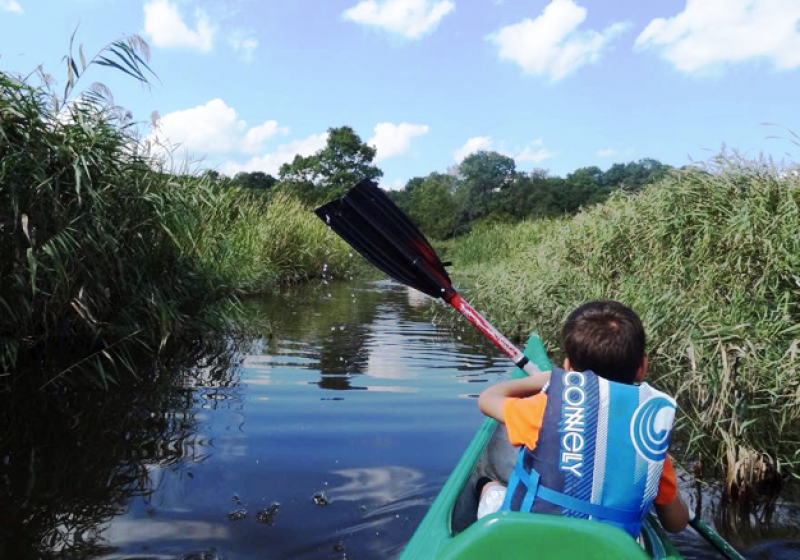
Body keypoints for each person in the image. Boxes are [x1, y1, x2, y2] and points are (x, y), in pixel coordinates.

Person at [476, 300, 688, 538]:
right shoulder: (649, 438)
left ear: (568, 368)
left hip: (531, 541)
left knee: (487, 486)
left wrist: (549, 378)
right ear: (642, 367)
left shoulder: (543, 410)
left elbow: (487, 398)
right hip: (610, 550)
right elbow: (676, 523)